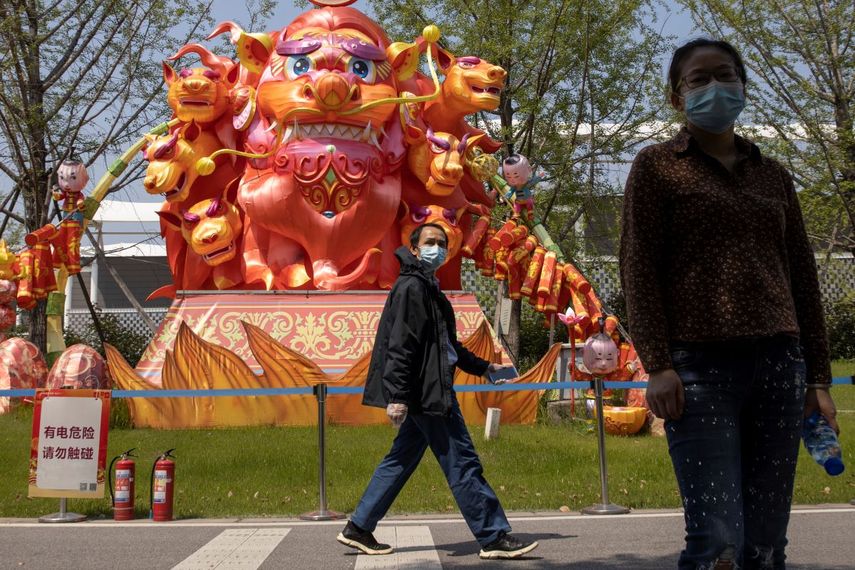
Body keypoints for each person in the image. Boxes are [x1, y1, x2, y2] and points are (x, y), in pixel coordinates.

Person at [619, 38, 839, 570]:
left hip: (780, 368)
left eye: (725, 75)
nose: (714, 86)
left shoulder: (775, 175)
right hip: (698, 373)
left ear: (743, 85)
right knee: (715, 542)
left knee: (765, 544)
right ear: (677, 97)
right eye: (699, 79)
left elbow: (803, 278)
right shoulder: (656, 168)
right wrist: (660, 364)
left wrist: (819, 379)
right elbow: (638, 270)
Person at [336, 223, 538, 560]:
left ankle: (358, 527)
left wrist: (485, 368)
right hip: (427, 393)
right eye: (431, 242)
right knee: (462, 461)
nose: (438, 249)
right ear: (414, 249)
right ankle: (492, 536)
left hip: (427, 389)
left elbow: (447, 346)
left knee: (400, 460)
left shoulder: (429, 288)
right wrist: (398, 396)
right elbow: (401, 345)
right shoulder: (411, 288)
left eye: (443, 244)